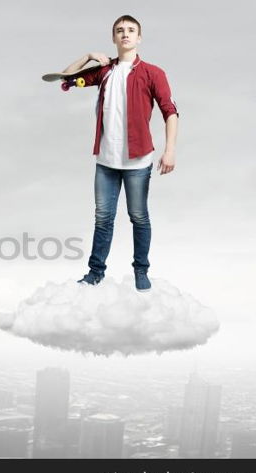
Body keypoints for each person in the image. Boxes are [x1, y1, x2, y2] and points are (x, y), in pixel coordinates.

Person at [62, 15, 179, 291]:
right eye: (119, 31)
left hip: (138, 161)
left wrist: (170, 150)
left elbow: (170, 112)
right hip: (106, 161)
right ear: (113, 38)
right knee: (103, 219)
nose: (125, 34)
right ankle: (95, 273)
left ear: (139, 38)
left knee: (138, 216)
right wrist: (89, 56)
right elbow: (66, 77)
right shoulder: (104, 72)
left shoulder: (153, 73)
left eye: (130, 30)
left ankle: (141, 270)